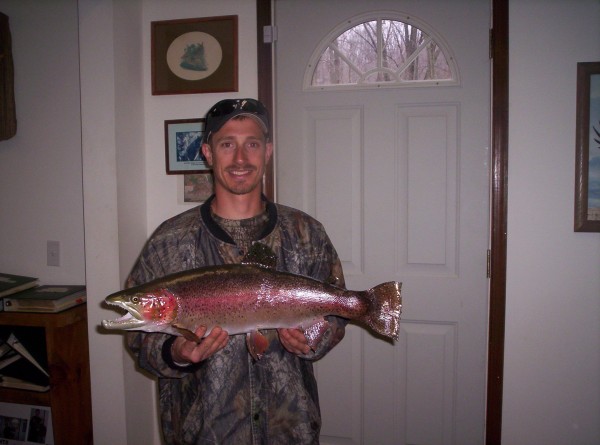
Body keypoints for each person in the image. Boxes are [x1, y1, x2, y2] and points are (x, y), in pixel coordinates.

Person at [126, 98, 346, 445]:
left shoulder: (307, 233)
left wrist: (313, 340)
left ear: (267, 151)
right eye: (227, 144)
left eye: (252, 144)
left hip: (291, 431)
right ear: (208, 153)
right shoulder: (168, 241)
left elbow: (336, 316)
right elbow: (139, 341)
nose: (241, 159)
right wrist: (176, 353)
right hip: (204, 434)